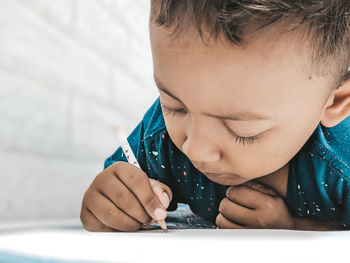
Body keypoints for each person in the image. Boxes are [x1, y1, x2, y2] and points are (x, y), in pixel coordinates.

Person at [80, 0, 350, 231]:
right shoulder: (158, 136)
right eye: (175, 106)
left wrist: (292, 230)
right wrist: (117, 202)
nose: (194, 149)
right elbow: (119, 184)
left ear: (335, 101)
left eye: (242, 130)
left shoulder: (342, 162)